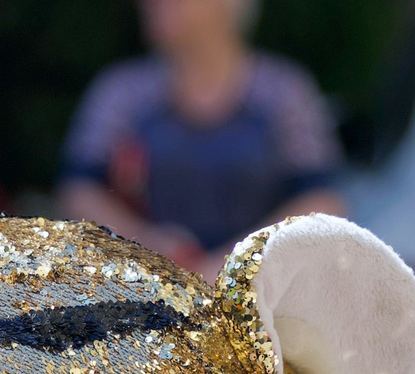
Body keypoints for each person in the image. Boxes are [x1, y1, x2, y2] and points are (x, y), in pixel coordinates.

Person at [57, 0, 345, 277]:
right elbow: (78, 192)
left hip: (264, 298)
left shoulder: (283, 92)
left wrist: (237, 261)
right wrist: (144, 243)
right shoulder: (121, 92)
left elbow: (322, 202)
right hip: (149, 296)